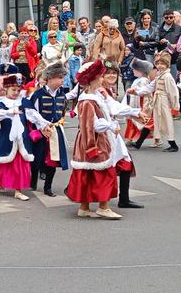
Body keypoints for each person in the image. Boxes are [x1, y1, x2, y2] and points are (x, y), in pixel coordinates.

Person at [65, 60, 122, 219]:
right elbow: (92, 125)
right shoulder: (88, 100)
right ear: (93, 79)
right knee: (103, 173)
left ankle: (84, 208)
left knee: (87, 174)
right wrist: (111, 126)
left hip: (87, 140)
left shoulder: (94, 96)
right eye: (100, 76)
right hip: (93, 141)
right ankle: (103, 207)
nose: (102, 79)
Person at [101, 60, 146, 208]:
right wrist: (135, 112)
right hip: (102, 132)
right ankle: (74, 190)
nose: (111, 76)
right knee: (97, 167)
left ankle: (124, 199)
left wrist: (134, 114)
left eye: (114, 73)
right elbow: (113, 108)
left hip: (112, 131)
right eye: (108, 73)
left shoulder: (109, 90)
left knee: (125, 162)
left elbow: (116, 108)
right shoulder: (100, 90)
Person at [0, 73, 33, 201]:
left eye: (18, 90)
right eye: (13, 90)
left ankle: (18, 190)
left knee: (19, 164)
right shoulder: (1, 103)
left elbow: (33, 115)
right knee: (4, 161)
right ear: (6, 90)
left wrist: (44, 124)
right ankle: (1, 181)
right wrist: (9, 112)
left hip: (22, 138)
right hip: (5, 137)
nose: (16, 92)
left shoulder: (24, 102)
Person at [24, 63, 70, 197]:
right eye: (60, 77)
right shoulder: (38, 94)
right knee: (36, 159)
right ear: (50, 78)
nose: (62, 80)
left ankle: (47, 187)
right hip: (41, 132)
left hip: (55, 132)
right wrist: (42, 127)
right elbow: (32, 113)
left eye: (63, 77)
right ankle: (32, 182)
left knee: (53, 161)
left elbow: (62, 111)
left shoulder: (62, 94)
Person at [129, 51, 180, 152]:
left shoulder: (168, 77)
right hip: (157, 102)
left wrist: (175, 107)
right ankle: (139, 143)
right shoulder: (159, 75)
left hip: (164, 102)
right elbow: (150, 87)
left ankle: (173, 144)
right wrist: (136, 92)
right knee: (155, 122)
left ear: (167, 64)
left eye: (163, 63)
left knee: (166, 122)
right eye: (158, 63)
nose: (160, 66)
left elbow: (173, 93)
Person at [124, 58, 155, 145]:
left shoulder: (143, 80)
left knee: (138, 120)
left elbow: (145, 93)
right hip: (135, 101)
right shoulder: (138, 80)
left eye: (135, 69)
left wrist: (145, 107)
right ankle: (130, 138)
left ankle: (130, 138)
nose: (133, 71)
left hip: (140, 102)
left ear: (140, 71)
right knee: (133, 120)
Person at [158, 9, 181, 79]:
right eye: (166, 17)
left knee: (173, 80)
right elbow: (153, 39)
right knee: (162, 80)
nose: (169, 19)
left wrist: (175, 45)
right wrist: (159, 42)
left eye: (171, 17)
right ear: (163, 18)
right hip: (162, 59)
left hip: (174, 59)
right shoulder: (158, 29)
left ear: (174, 18)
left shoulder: (180, 29)